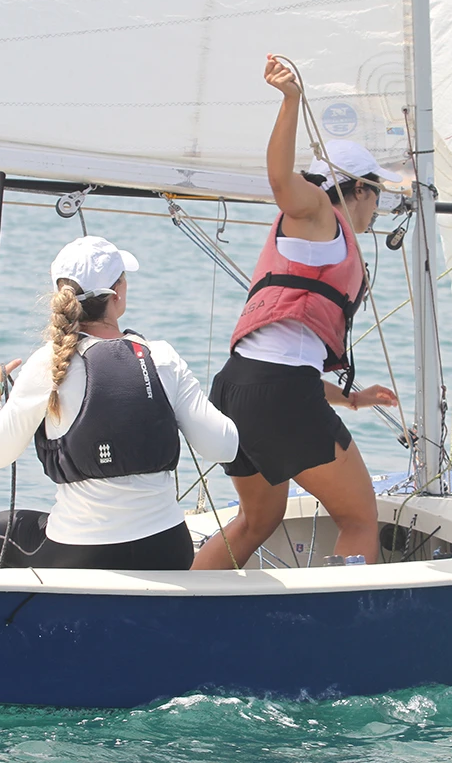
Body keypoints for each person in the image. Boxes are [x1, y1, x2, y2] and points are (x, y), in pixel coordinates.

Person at [191, 55, 399, 570]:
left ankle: (185, 602)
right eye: (377, 195)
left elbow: (281, 359)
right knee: (360, 519)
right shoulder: (316, 213)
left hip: (236, 389)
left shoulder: (318, 237)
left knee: (257, 521)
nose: (378, 208)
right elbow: (282, 181)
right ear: (358, 188)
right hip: (277, 396)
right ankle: (344, 616)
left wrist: (350, 399)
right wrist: (290, 102)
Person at [0, 235, 238, 570]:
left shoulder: (48, 364)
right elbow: (224, 447)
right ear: (118, 293)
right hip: (167, 549)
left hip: (81, 554)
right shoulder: (162, 357)